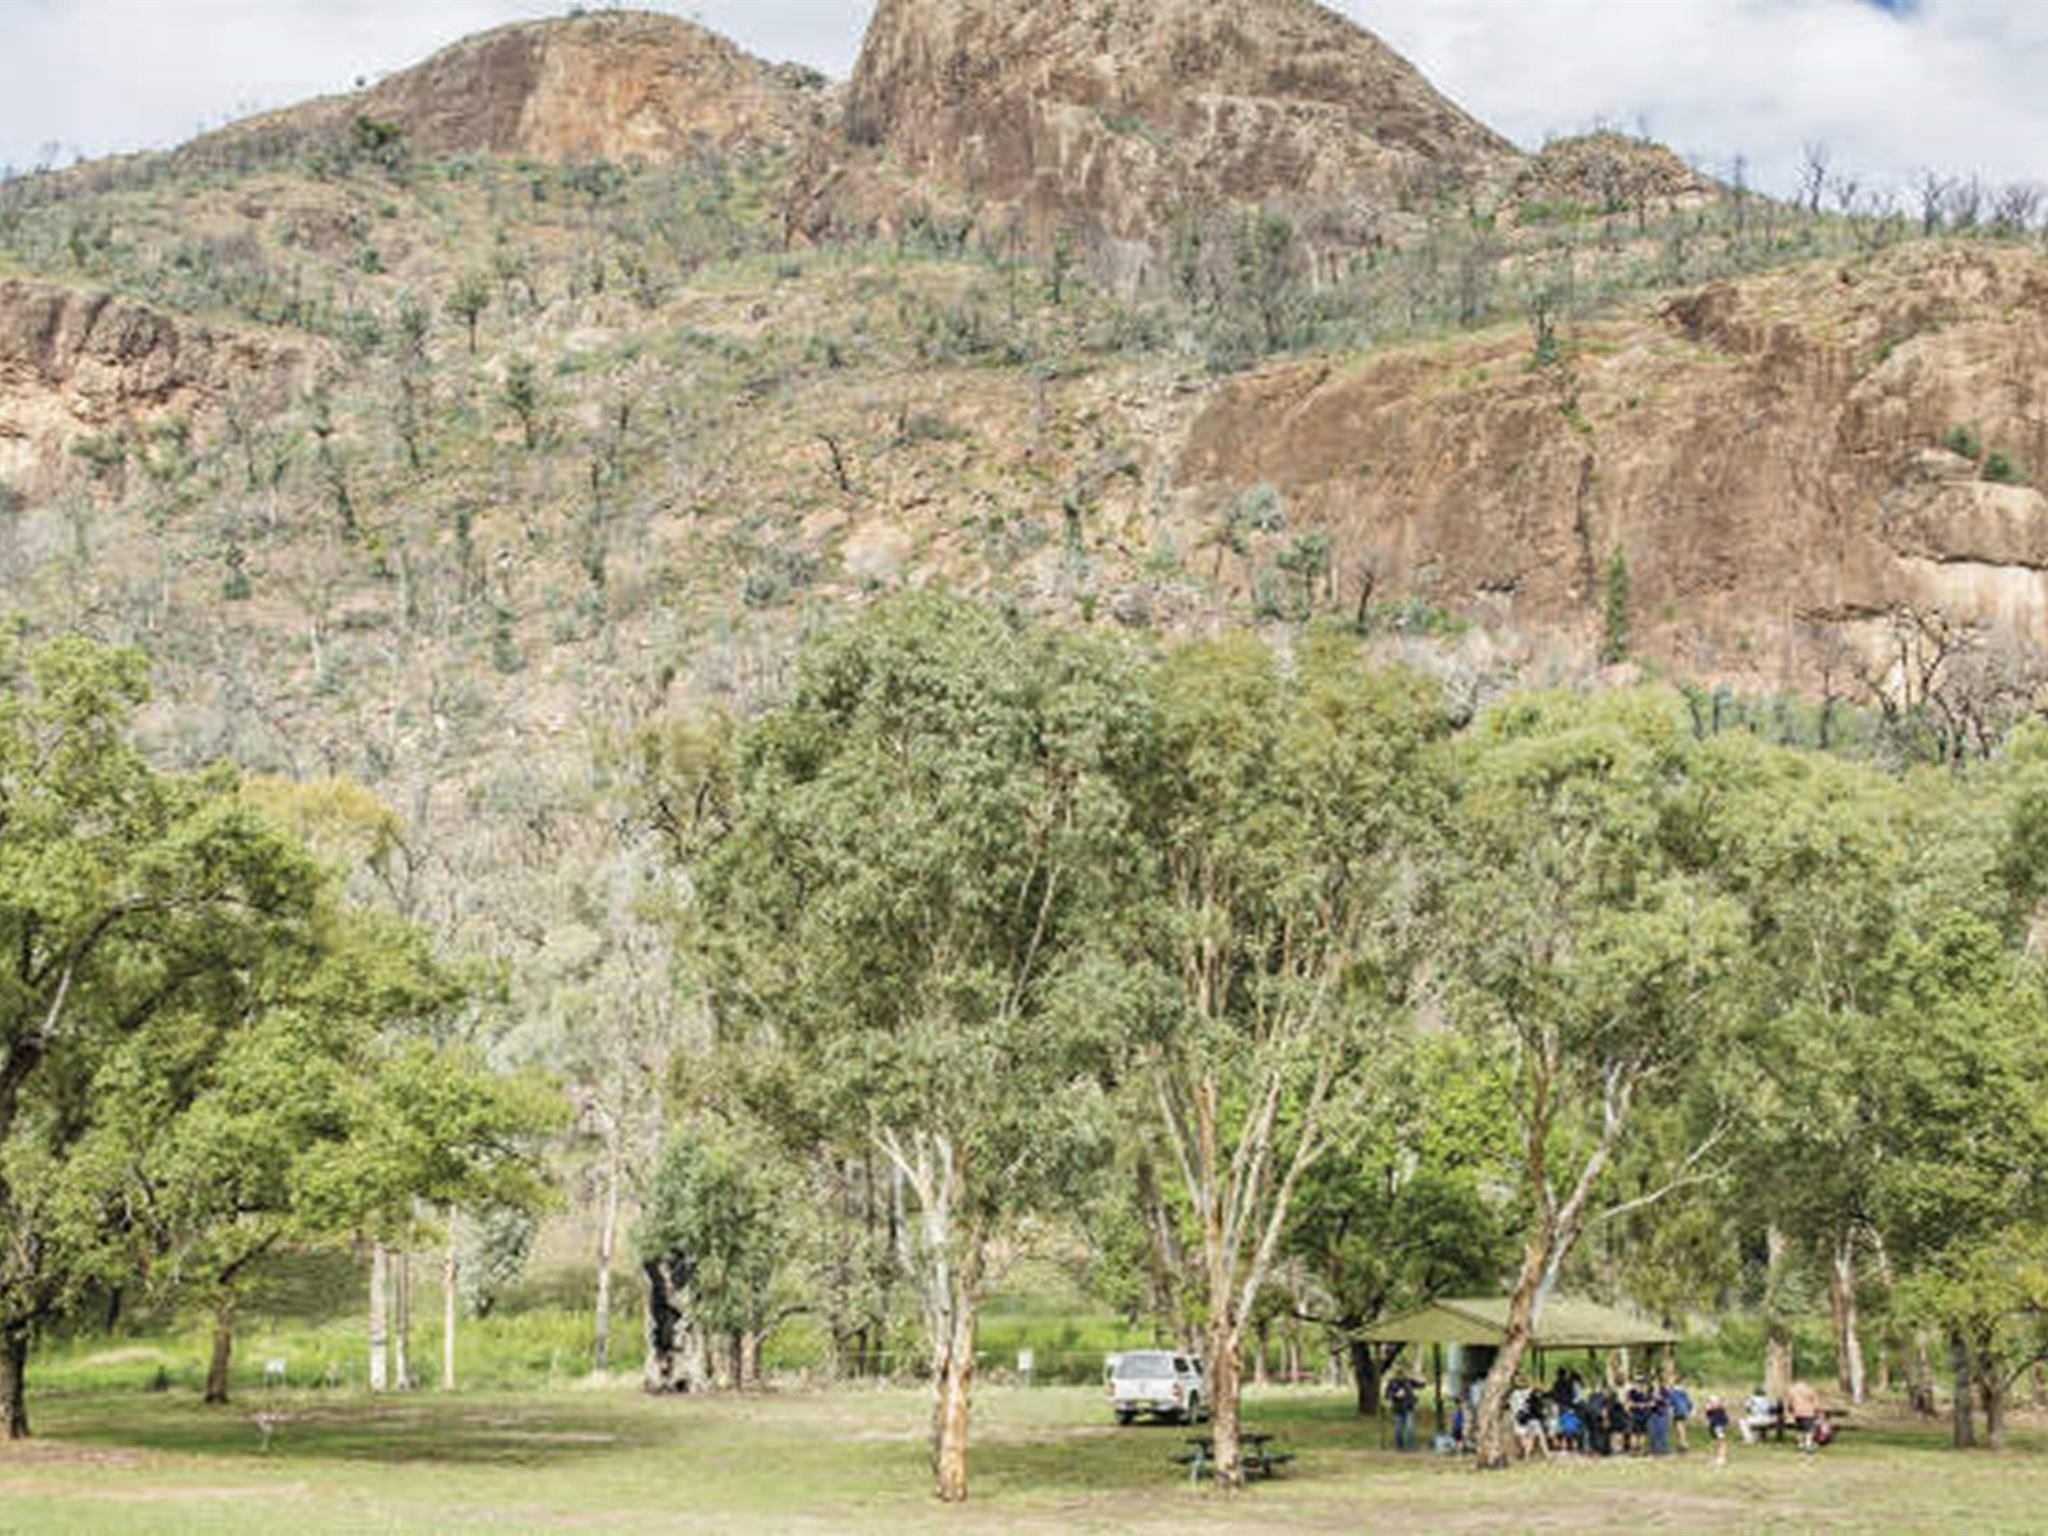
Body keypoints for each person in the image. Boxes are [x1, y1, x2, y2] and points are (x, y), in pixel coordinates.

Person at [1386, 1363, 1425, 1452]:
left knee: (1409, 1427)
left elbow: (1421, 1385)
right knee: (1398, 1428)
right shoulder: (1392, 1383)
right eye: (1398, 1372)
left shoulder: (1408, 1381)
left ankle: (1409, 1446)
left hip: (1409, 1407)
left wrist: (1420, 1376)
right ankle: (1399, 1446)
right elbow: (1387, 1395)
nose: (1400, 1374)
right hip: (1398, 1408)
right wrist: (1395, 1395)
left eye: (1401, 1372)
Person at [1787, 1379, 1824, 1453]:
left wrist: (1790, 1412)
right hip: (1808, 1412)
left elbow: (1789, 1402)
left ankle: (1800, 1445)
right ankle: (1808, 1444)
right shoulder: (1810, 1389)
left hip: (1797, 1413)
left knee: (1799, 1429)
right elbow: (1816, 1403)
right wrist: (1819, 1412)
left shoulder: (1792, 1390)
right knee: (1809, 1430)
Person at [1704, 1391, 1731, 1467]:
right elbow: (1708, 1409)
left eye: (1714, 1401)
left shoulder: (1720, 1408)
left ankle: (1721, 1458)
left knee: (1721, 1441)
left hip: (1718, 1426)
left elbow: (1724, 1405)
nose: (1711, 1403)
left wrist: (1721, 1400)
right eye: (1710, 1401)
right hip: (1714, 1427)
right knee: (1716, 1442)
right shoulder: (1710, 1409)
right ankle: (1718, 1457)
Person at [1667, 1377, 1694, 1453]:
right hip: (1684, 1410)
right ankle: (1681, 1444)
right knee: (1681, 1427)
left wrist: (1670, 1409)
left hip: (1678, 1410)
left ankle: (1683, 1445)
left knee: (1679, 1428)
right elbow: (1689, 1402)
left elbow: (1671, 1401)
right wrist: (1690, 1410)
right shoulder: (1683, 1391)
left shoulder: (1673, 1391)